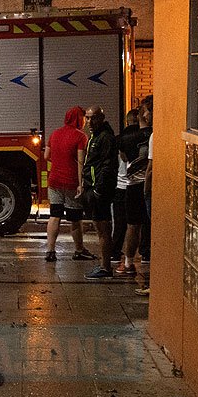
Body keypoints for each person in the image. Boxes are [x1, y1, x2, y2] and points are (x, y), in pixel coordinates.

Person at [44, 106, 95, 262]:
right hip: (71, 182)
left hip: (54, 181)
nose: (86, 121)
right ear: (79, 119)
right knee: (74, 218)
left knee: (55, 215)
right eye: (84, 118)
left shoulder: (54, 134)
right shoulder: (81, 137)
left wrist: (59, 161)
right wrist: (81, 183)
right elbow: (81, 161)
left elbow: (46, 156)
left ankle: (50, 251)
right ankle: (79, 250)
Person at [116, 97, 152, 276]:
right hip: (150, 185)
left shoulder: (126, 137)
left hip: (133, 185)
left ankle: (128, 262)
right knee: (150, 224)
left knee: (132, 225)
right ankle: (148, 255)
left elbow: (123, 158)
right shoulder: (155, 135)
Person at [81, 106, 118, 279]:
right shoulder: (94, 137)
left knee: (102, 229)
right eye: (87, 118)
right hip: (94, 188)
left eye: (93, 118)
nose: (89, 122)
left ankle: (105, 267)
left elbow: (107, 166)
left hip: (99, 191)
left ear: (101, 118)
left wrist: (98, 189)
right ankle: (104, 265)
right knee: (100, 228)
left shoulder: (105, 138)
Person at [111, 109, 139, 262]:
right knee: (135, 224)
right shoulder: (143, 138)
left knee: (119, 223)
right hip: (135, 184)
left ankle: (115, 252)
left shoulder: (118, 139)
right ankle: (143, 253)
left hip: (120, 185)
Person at [137, 96, 155, 297]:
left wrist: (146, 190)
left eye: (147, 111)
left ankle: (153, 282)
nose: (144, 115)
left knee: (152, 231)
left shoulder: (153, 136)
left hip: (150, 191)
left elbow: (150, 168)